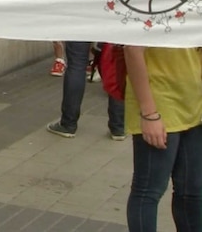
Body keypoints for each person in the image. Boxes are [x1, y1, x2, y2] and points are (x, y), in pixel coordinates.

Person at [124, 46, 202, 232]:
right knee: (149, 190)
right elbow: (132, 50)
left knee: (192, 191)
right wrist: (149, 112)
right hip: (158, 100)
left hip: (193, 101)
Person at [46, 40, 125, 140]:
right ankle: (118, 126)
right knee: (115, 63)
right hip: (111, 25)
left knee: (76, 64)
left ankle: (68, 124)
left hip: (81, 26)